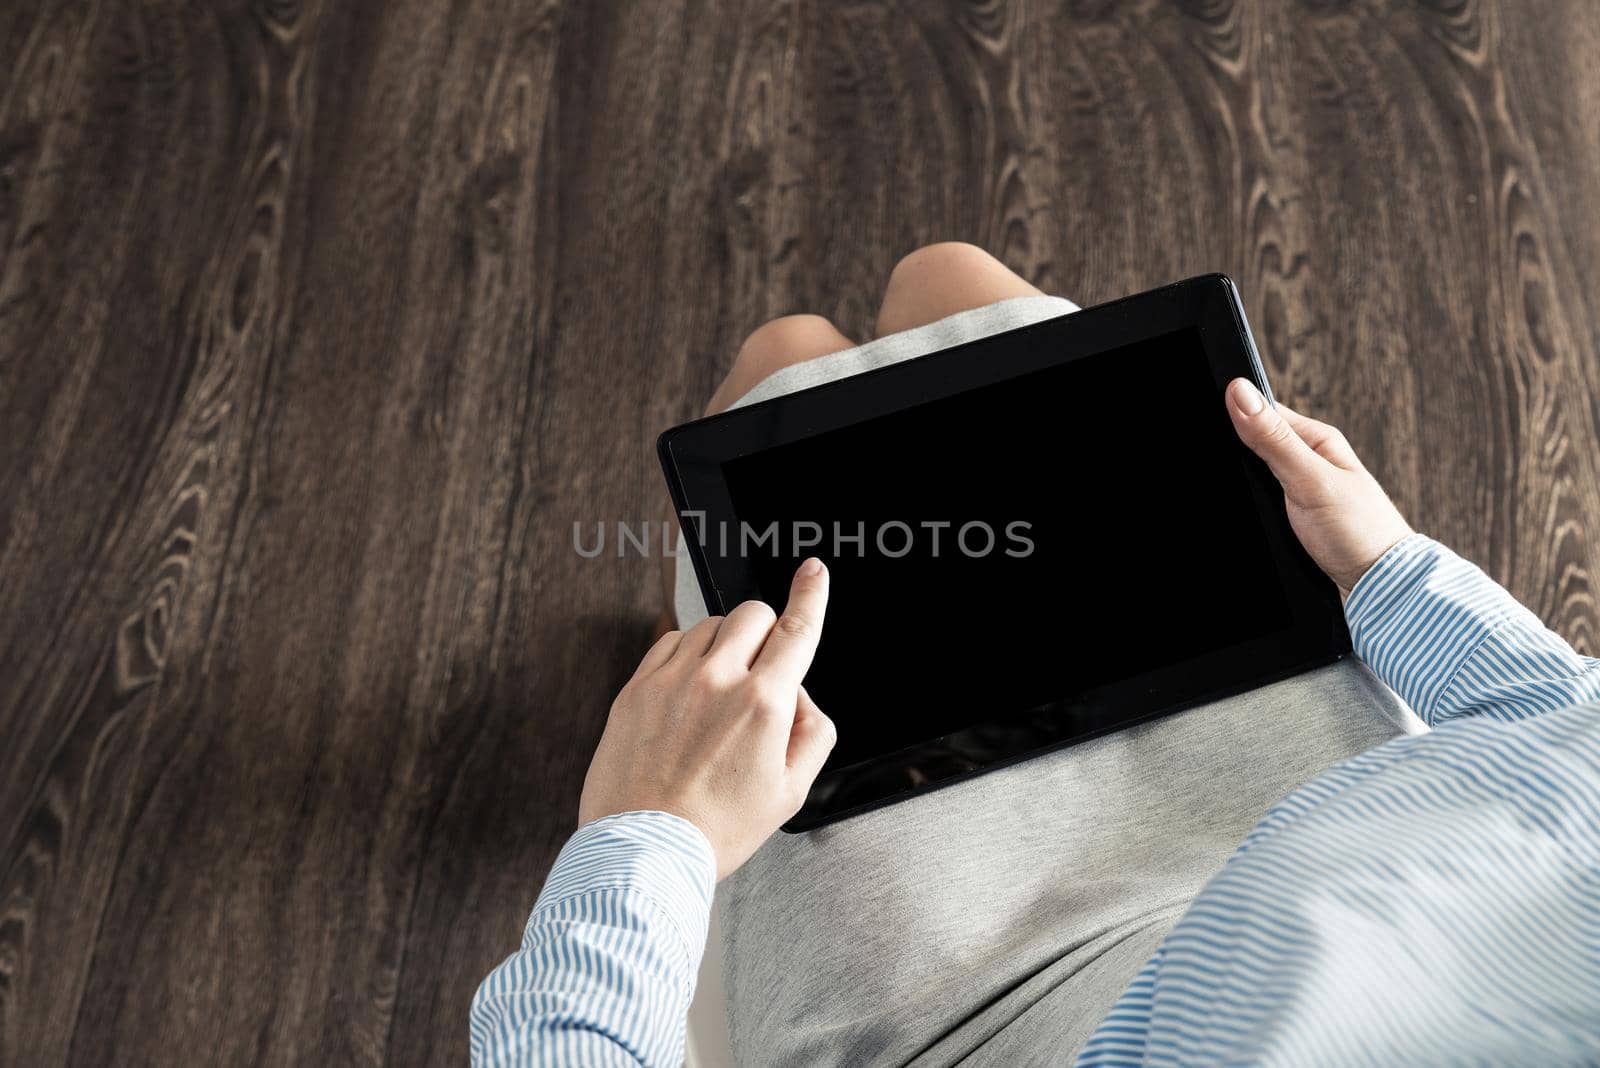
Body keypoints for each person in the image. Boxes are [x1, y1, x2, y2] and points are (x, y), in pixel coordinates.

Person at [470, 245, 1600, 1067]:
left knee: (784, 361)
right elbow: (1571, 749)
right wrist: (1387, 570)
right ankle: (694, 640)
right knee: (948, 281)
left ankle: (687, 651)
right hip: (1335, 819)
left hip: (964, 1010)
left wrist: (650, 830)